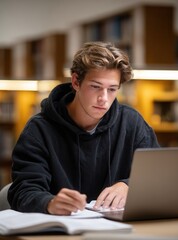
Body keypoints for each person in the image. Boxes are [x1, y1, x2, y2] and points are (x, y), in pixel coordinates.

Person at [8, 41, 160, 215]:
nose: (104, 98)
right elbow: (22, 192)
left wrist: (128, 185)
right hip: (61, 230)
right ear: (75, 82)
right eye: (95, 87)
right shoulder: (38, 130)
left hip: (118, 229)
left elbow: (158, 178)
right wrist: (48, 202)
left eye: (112, 89)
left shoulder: (132, 123)